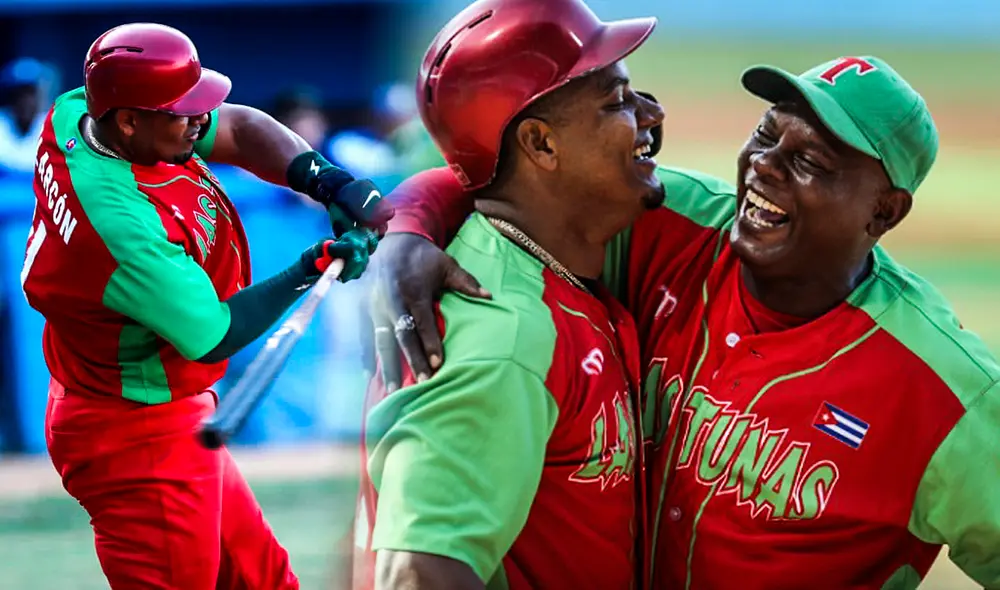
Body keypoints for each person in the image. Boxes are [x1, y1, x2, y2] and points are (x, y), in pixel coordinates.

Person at [367, 56, 1000, 589]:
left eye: (811, 162)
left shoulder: (947, 393)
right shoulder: (678, 226)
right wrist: (404, 226)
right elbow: (524, 182)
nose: (765, 166)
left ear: (883, 212)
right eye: (766, 134)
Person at [22, 23, 393, 589]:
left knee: (263, 578)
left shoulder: (81, 112)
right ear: (128, 120)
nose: (200, 118)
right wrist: (312, 265)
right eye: (182, 109)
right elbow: (215, 334)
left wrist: (330, 184)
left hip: (155, 408)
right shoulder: (120, 225)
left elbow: (240, 130)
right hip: (135, 433)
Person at [353, 1, 664, 589]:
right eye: (618, 101)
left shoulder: (546, 274)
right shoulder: (507, 332)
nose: (652, 112)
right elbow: (418, 575)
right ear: (541, 145)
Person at [0, 57, 49, 174]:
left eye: (30, 94)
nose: (25, 102)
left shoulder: (55, 127)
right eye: (18, 95)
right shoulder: (2, 124)